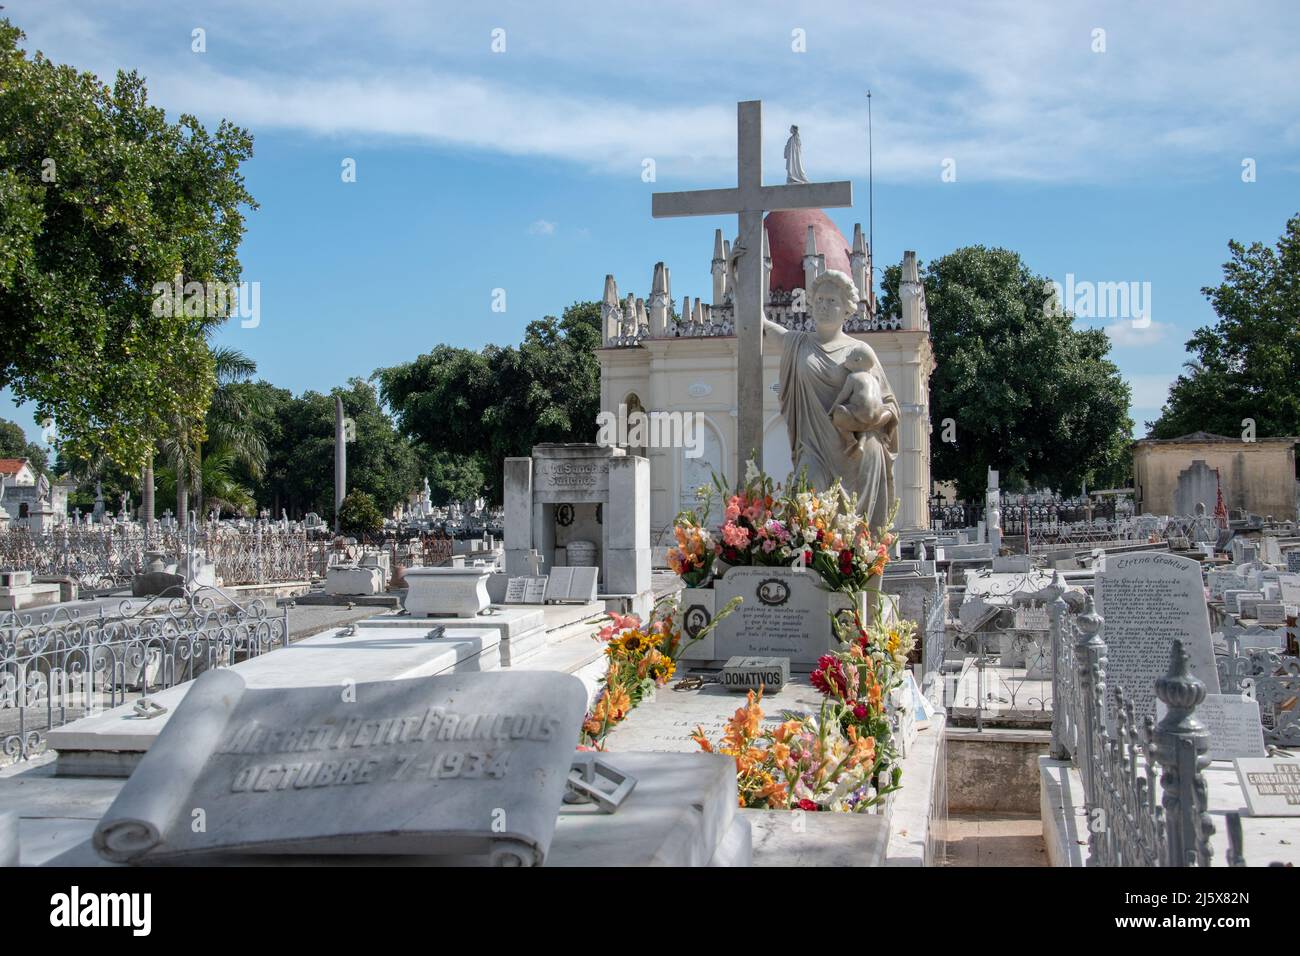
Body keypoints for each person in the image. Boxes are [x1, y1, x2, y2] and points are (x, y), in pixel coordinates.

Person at [762, 269, 899, 531]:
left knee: (857, 541)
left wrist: (867, 419)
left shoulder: (859, 351)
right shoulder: (798, 344)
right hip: (813, 447)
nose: (824, 306)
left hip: (859, 455)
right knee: (805, 515)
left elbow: (889, 405)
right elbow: (762, 326)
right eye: (820, 300)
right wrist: (739, 277)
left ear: (847, 309)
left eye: (832, 301)